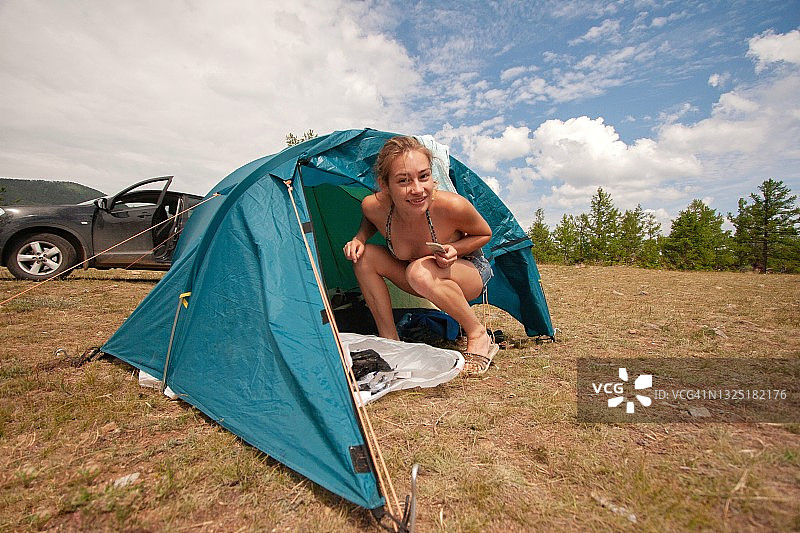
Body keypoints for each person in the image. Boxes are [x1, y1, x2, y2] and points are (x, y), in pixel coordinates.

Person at [343, 136, 498, 373]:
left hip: (468, 271)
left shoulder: (453, 206)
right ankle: (391, 341)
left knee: (419, 272)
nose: (417, 189)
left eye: (424, 176)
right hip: (417, 275)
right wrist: (359, 239)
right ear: (385, 185)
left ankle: (477, 334)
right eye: (404, 180)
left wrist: (456, 249)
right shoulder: (373, 206)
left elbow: (484, 234)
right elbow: (370, 221)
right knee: (364, 257)